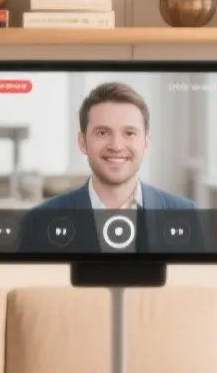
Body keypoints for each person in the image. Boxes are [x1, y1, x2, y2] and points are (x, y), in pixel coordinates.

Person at [23, 81, 195, 252]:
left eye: (129, 133)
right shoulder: (39, 221)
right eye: (103, 133)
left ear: (146, 144)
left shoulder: (187, 214)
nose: (117, 145)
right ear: (83, 143)